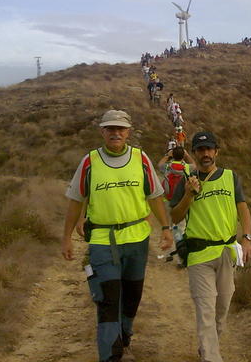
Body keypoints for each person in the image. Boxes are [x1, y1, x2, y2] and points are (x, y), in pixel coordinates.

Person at [62, 109, 173, 362]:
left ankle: (124, 337)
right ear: (102, 131)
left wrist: (166, 229)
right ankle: (111, 355)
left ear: (128, 132)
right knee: (108, 300)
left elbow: (155, 196)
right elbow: (75, 202)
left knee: (132, 297)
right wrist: (66, 237)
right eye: (110, 128)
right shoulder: (90, 161)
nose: (115, 133)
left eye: (120, 128)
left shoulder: (140, 158)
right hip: (103, 241)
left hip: (137, 239)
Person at [170, 131, 251, 362]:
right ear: (194, 153)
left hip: (226, 253)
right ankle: (211, 356)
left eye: (209, 149)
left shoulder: (230, 177)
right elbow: (175, 217)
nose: (205, 154)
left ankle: (207, 347)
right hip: (199, 255)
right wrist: (188, 195)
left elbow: (243, 209)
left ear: (216, 151)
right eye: (200, 150)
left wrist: (246, 238)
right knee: (205, 310)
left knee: (221, 310)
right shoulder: (186, 179)